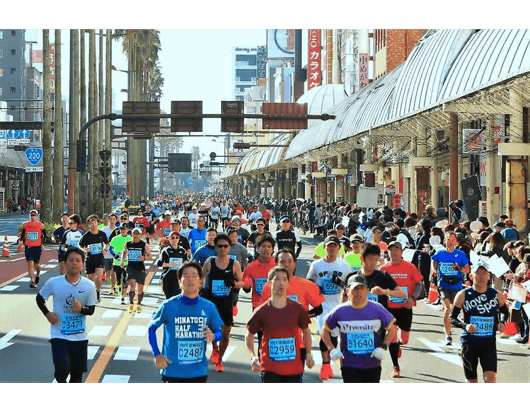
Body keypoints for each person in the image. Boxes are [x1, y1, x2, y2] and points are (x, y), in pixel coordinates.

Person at [148, 261, 224, 383]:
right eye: (186, 276)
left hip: (198, 372)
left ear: (201, 281)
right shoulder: (168, 305)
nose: (190, 280)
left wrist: (214, 336)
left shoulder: (209, 307)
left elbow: (219, 333)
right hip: (173, 371)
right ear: (179, 282)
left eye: (194, 276)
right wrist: (157, 354)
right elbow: (151, 329)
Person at [36, 247, 97, 383]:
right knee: (62, 369)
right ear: (64, 263)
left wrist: (81, 309)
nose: (74, 263)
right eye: (70, 260)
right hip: (59, 335)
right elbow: (39, 299)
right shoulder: (54, 282)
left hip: (80, 337)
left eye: (77, 260)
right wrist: (47, 314)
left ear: (82, 264)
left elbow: (91, 309)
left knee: (77, 375)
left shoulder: (89, 285)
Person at [321, 274, 397, 383]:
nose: (358, 292)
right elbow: (325, 330)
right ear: (347, 291)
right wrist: (331, 349)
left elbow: (392, 328)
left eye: (361, 288)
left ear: (367, 290)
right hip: (349, 364)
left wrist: (383, 347)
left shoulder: (377, 309)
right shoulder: (340, 311)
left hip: (372, 363)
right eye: (354, 289)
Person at [245, 265, 315, 383]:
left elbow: (306, 332)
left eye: (284, 279)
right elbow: (249, 335)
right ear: (269, 283)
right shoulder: (262, 311)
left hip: (294, 368)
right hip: (270, 368)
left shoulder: (297, 308)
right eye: (277, 279)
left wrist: (308, 354)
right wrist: (253, 357)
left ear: (288, 283)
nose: (281, 283)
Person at [450, 261, 509, 383]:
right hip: (469, 343)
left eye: (484, 273)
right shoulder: (463, 295)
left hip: (488, 343)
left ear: (489, 276)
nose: (481, 276)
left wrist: (502, 322)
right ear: (471, 276)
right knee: (472, 380)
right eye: (478, 273)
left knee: (490, 379)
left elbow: (505, 312)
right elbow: (452, 318)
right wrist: (465, 326)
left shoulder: (496, 295)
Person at [306, 235, 352, 381]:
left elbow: (350, 285)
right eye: (329, 246)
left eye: (334, 246)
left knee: (335, 336)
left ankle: (343, 364)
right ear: (324, 248)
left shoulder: (344, 265)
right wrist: (316, 287)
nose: (331, 248)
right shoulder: (317, 264)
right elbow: (309, 281)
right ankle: (326, 365)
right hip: (323, 305)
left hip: (339, 304)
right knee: (324, 333)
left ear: (339, 248)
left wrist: (339, 282)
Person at [379, 241, 424, 378]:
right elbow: (379, 289)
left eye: (397, 250)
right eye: (391, 250)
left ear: (402, 252)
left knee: (404, 339)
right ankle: (395, 366)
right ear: (388, 252)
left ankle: (399, 345)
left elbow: (419, 283)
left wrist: (413, 298)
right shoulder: (383, 269)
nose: (394, 253)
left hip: (405, 307)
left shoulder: (410, 267)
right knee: (392, 337)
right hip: (389, 309)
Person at [202, 233, 244, 372]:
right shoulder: (210, 261)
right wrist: (201, 289)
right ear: (215, 247)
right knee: (212, 329)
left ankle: (220, 359)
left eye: (225, 246)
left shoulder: (234, 264)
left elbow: (241, 282)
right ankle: (214, 347)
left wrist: (233, 283)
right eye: (219, 246)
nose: (222, 249)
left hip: (226, 302)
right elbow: (202, 276)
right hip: (211, 302)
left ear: (229, 247)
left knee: (226, 333)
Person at [431, 231, 470, 346]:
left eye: (453, 240)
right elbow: (434, 260)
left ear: (456, 242)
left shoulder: (461, 254)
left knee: (456, 310)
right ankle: (448, 335)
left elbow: (467, 269)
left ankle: (465, 332)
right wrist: (434, 269)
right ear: (445, 241)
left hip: (456, 284)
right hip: (443, 284)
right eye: (448, 239)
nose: (450, 242)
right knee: (447, 308)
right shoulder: (440, 253)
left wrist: (459, 269)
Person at [121, 228, 152, 313]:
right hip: (131, 267)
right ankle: (131, 304)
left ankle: (139, 304)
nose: (135, 235)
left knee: (140, 288)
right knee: (132, 285)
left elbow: (150, 256)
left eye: (137, 233)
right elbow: (124, 253)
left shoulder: (144, 245)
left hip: (140, 268)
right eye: (134, 233)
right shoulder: (128, 244)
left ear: (140, 235)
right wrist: (122, 261)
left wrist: (144, 258)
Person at [79, 214, 109, 303]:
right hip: (90, 259)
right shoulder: (86, 236)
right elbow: (80, 246)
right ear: (89, 224)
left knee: (98, 277)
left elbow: (107, 243)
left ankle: (98, 291)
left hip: (99, 257)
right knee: (90, 279)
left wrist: (105, 249)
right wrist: (85, 249)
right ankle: (91, 293)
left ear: (97, 223)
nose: (93, 224)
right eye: (91, 223)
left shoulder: (102, 234)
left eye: (95, 222)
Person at [242, 234, 276, 311]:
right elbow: (246, 289)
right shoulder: (251, 266)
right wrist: (246, 286)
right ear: (258, 248)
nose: (266, 249)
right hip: (258, 305)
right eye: (263, 246)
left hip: (275, 305)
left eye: (269, 246)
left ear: (272, 249)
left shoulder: (278, 266)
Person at [19, 209, 47, 289]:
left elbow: (45, 235)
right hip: (28, 247)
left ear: (37, 216)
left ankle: (38, 274)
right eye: (31, 215)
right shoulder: (25, 225)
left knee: (36, 265)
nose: (33, 217)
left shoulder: (41, 225)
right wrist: (21, 241)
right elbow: (23, 234)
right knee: (30, 264)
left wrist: (43, 243)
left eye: (34, 215)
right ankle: (32, 281)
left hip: (37, 247)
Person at [158, 231, 188, 299]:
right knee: (168, 299)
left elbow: (186, 264)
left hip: (178, 278)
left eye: (176, 238)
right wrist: (170, 264)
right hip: (167, 278)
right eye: (172, 238)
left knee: (177, 298)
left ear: (179, 239)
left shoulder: (183, 251)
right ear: (169, 239)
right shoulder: (166, 251)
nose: (175, 240)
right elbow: (159, 263)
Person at [108, 223, 132, 304]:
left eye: (124, 229)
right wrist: (114, 255)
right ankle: (118, 286)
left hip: (127, 262)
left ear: (128, 230)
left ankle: (123, 296)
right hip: (117, 261)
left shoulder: (130, 239)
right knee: (118, 280)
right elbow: (110, 248)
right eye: (121, 229)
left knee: (125, 279)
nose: (123, 230)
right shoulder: (115, 238)